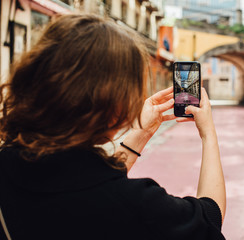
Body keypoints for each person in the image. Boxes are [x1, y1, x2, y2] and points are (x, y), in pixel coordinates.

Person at [0, 14, 226, 240]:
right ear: (114, 102)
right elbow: (210, 218)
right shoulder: (137, 204)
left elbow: (85, 179)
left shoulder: (9, 161)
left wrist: (143, 131)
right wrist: (208, 134)